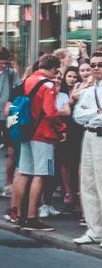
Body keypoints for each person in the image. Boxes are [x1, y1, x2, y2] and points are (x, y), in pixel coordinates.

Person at [8, 54, 67, 232]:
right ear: (55, 68)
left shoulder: (29, 80)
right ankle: (33, 216)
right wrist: (62, 128)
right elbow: (50, 112)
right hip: (42, 134)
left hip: (26, 131)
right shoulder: (47, 85)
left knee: (25, 172)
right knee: (41, 175)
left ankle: (18, 214)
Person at [72, 53, 102, 245]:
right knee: (88, 183)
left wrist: (91, 114)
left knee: (101, 182)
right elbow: (77, 115)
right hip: (89, 135)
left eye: (100, 64)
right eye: (93, 65)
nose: (96, 68)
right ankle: (95, 230)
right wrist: (96, 112)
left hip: (100, 135)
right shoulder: (90, 90)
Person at [0, 47, 21, 199]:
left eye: (5, 63)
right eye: (0, 62)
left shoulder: (11, 73)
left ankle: (8, 184)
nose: (2, 66)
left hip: (9, 115)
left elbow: (18, 89)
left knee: (12, 150)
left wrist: (11, 104)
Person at [58, 64, 84, 214]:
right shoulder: (60, 92)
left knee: (76, 162)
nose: (72, 79)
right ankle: (68, 192)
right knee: (65, 162)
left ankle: (76, 192)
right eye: (70, 76)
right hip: (63, 129)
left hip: (76, 129)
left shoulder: (80, 90)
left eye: (75, 77)